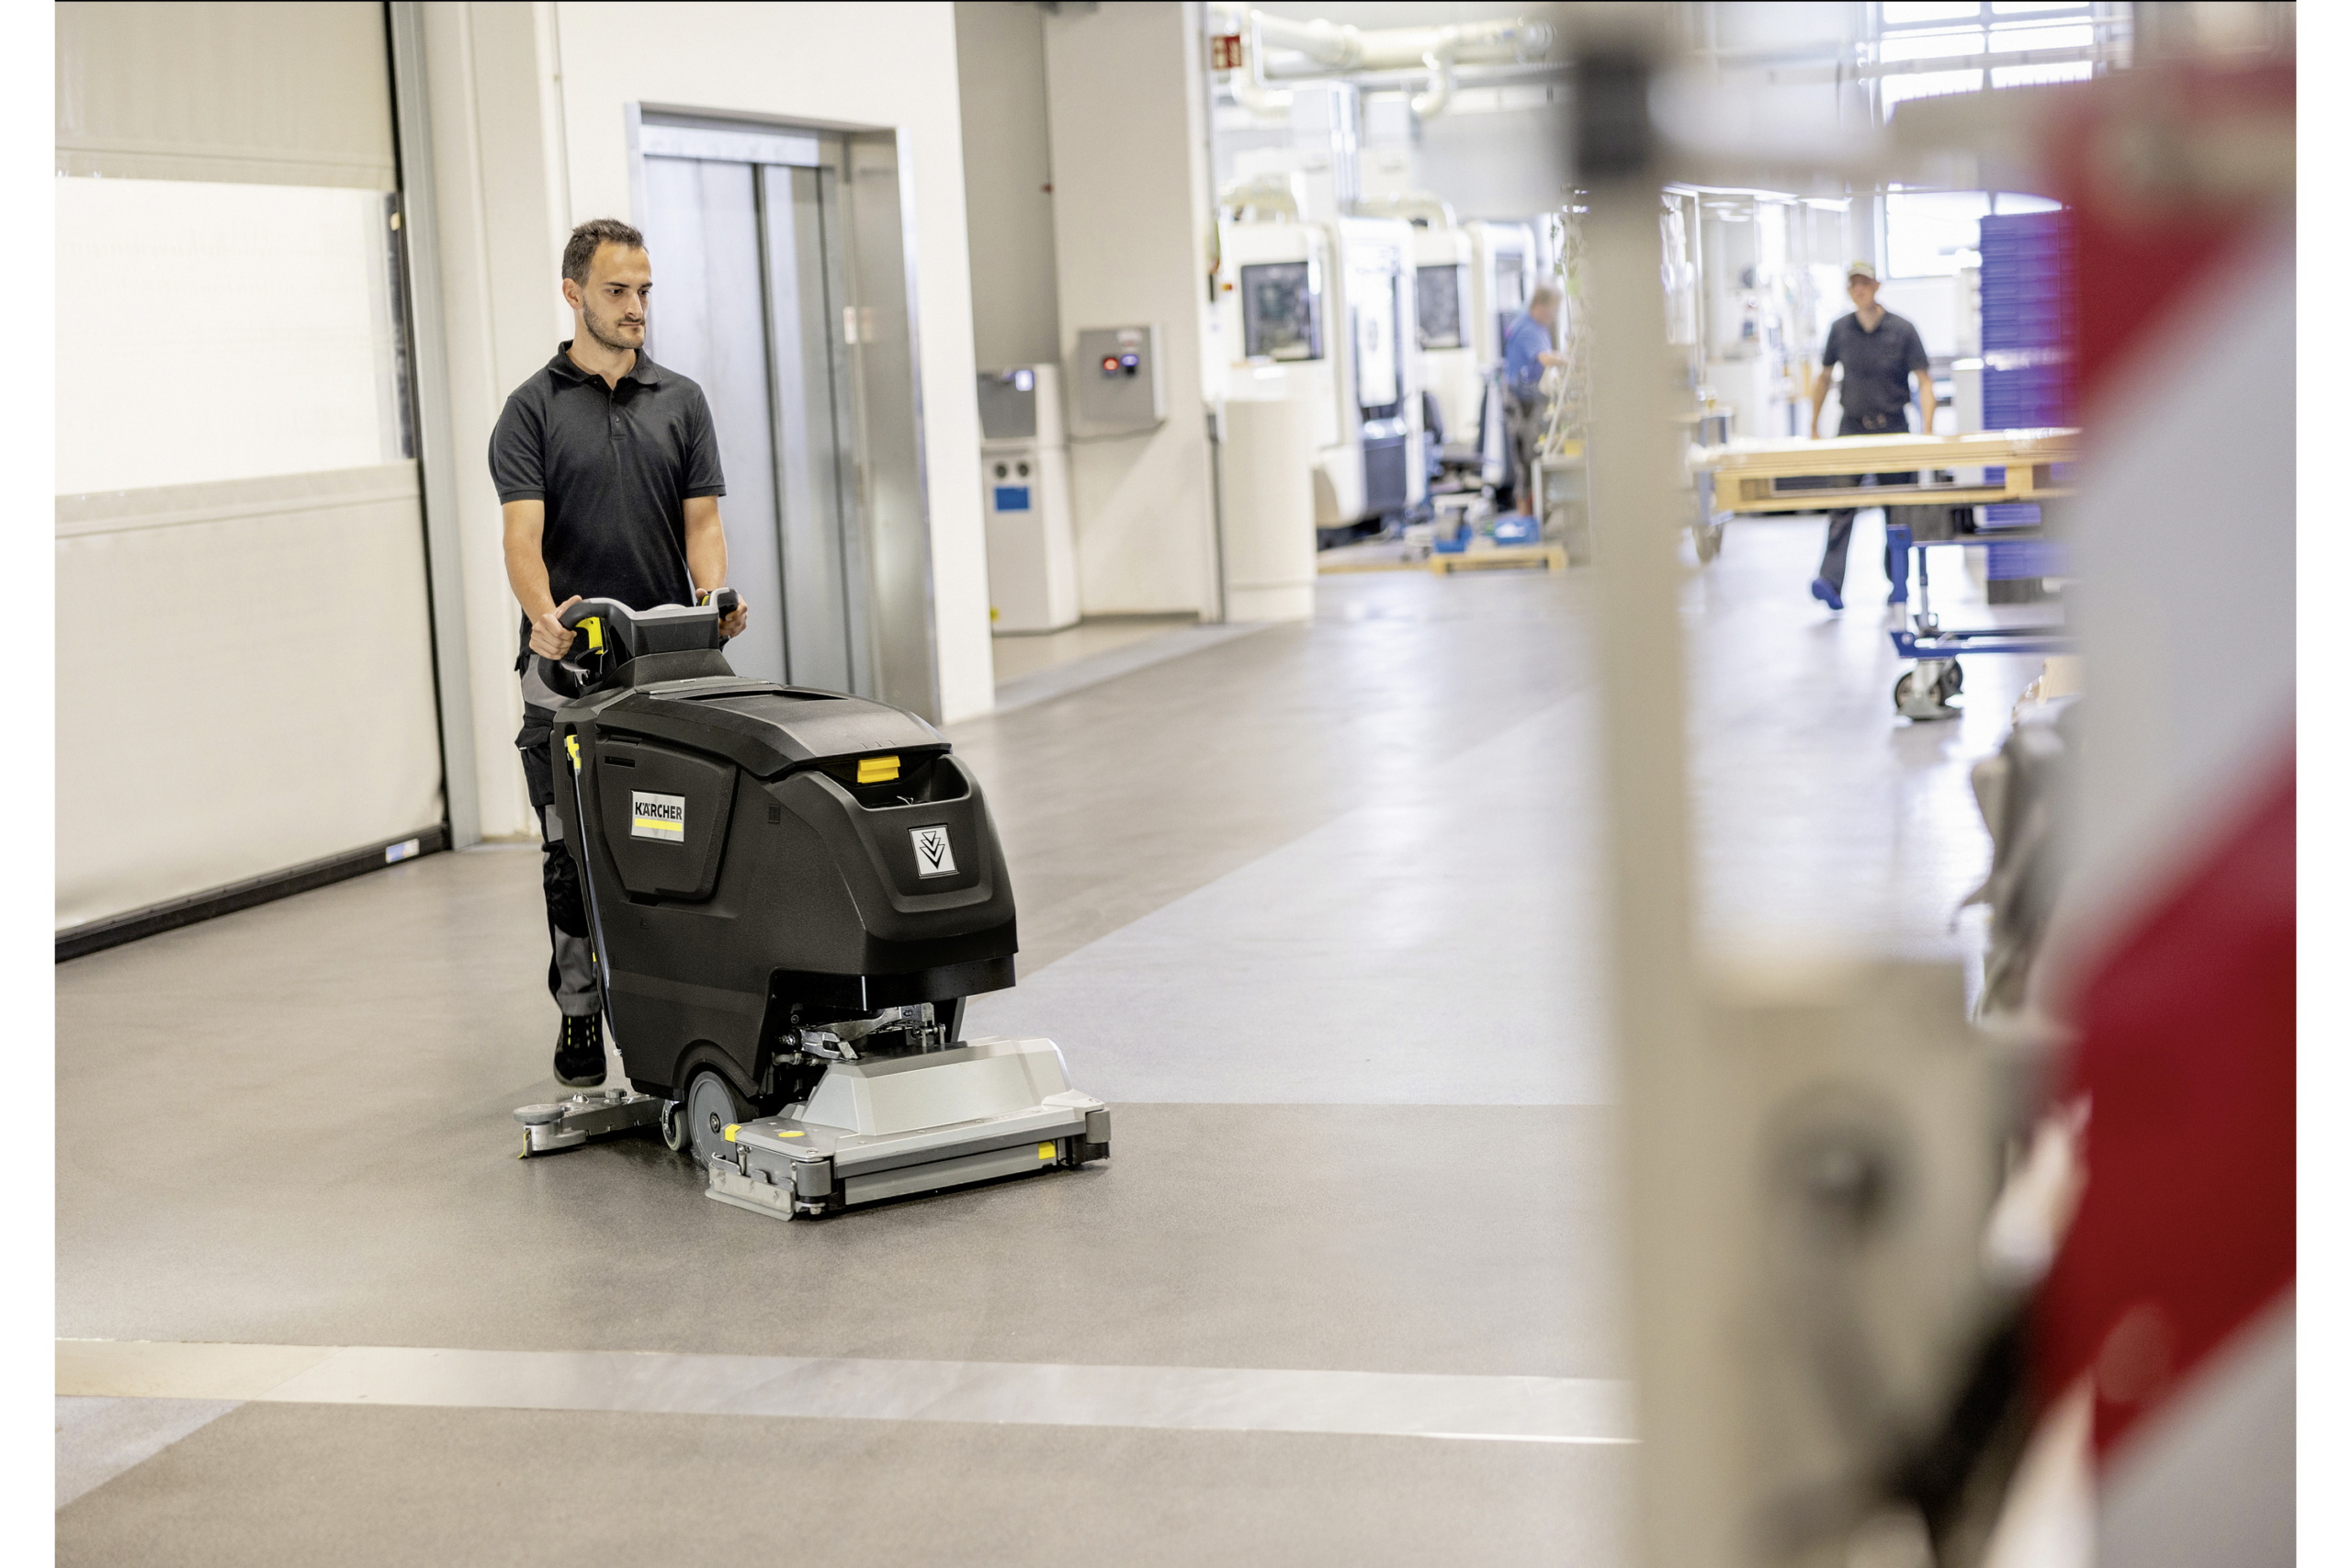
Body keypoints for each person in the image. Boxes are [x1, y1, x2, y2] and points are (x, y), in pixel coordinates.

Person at [490, 218, 751, 1088]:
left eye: (643, 291)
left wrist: (713, 598)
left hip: (667, 669)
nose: (636, 307)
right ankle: (578, 1008)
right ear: (574, 295)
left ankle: (681, 1013)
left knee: (679, 847)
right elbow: (521, 539)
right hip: (567, 674)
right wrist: (541, 616)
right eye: (617, 291)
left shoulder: (682, 400)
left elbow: (702, 524)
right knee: (571, 855)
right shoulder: (531, 410)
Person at [1804, 259, 1935, 611]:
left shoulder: (1903, 330)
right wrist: (1813, 424)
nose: (1859, 289)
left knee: (1898, 510)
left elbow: (1924, 382)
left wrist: (1928, 431)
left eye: (1865, 283)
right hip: (1852, 428)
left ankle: (1898, 583)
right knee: (1842, 504)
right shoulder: (1840, 330)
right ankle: (1829, 581)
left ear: (1877, 286)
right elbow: (1824, 378)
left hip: (1893, 427)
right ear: (1849, 290)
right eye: (1853, 284)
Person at [1499, 284, 1567, 515]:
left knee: (1532, 456)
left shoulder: (1537, 327)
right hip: (1520, 403)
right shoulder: (1527, 328)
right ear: (1540, 306)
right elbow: (1546, 359)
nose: (1554, 315)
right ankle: (1526, 517)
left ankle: (1533, 514)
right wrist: (1572, 362)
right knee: (1527, 460)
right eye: (1553, 309)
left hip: (1530, 399)